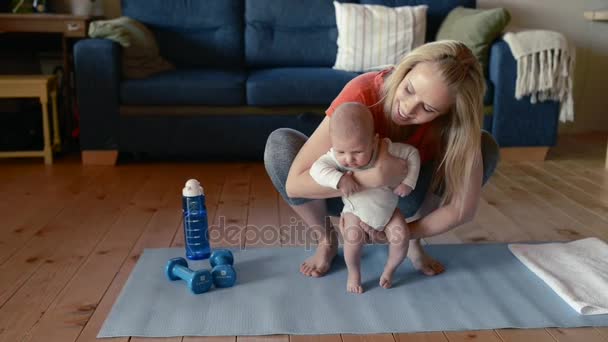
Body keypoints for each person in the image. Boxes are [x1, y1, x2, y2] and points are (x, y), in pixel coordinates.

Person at [264, 40, 499, 278]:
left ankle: (415, 246)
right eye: (408, 89)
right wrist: (371, 178)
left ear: (449, 113)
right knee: (281, 145)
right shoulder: (363, 91)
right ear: (406, 69)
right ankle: (326, 240)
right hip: (342, 195)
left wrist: (403, 233)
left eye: (427, 109)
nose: (407, 109)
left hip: (403, 199)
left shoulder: (455, 125)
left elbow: (462, 210)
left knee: (484, 145)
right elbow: (294, 185)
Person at [310, 102, 420, 293]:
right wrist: (339, 178)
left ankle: (390, 269)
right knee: (352, 239)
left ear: (374, 141)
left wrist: (408, 182)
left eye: (357, 152)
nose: (349, 159)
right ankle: (354, 272)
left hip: (389, 211)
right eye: (341, 151)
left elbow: (412, 153)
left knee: (402, 236)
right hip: (355, 211)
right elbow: (316, 169)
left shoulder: (388, 148)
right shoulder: (336, 157)